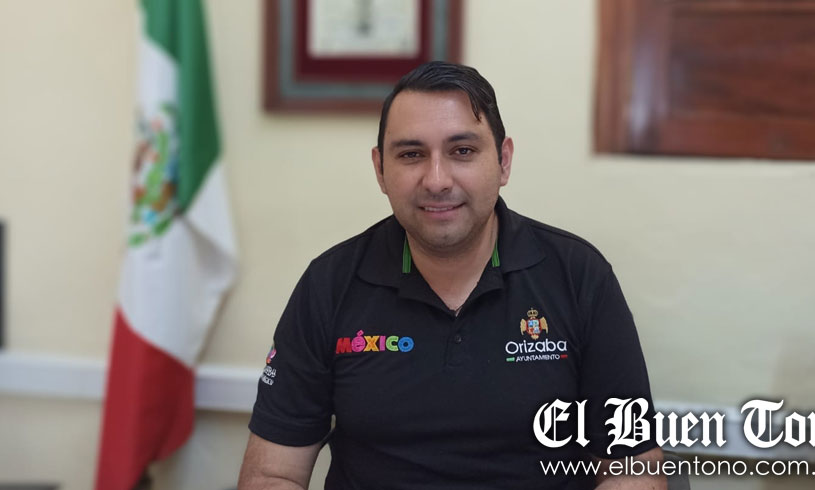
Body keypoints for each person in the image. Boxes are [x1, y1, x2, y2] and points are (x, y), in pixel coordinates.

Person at [238, 61, 665, 490]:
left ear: (503, 161)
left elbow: (633, 469)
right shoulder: (329, 285)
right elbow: (272, 474)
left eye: (462, 151)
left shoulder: (578, 275)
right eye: (411, 154)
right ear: (380, 170)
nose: (437, 180)